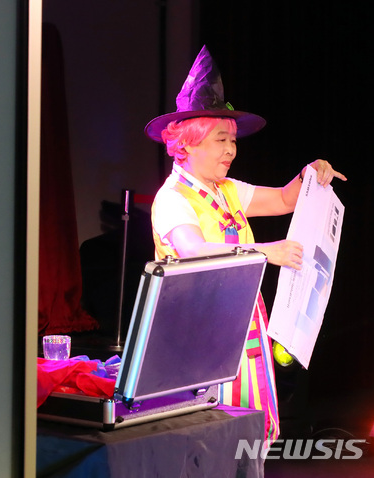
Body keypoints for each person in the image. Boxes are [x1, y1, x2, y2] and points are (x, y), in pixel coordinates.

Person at [145, 45, 346, 448]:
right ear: (189, 144)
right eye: (221, 139)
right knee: (209, 442)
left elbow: (284, 200)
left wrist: (310, 175)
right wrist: (264, 252)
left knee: (247, 440)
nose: (231, 150)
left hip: (242, 327)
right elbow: (192, 249)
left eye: (233, 141)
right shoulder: (173, 198)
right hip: (198, 334)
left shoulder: (227, 190)